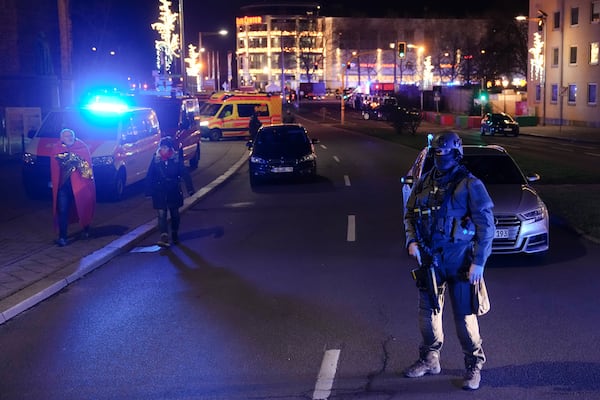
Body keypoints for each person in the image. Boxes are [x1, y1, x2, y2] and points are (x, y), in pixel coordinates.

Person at [403, 131, 495, 391]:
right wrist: (411, 242)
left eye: (446, 154)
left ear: (456, 154)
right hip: (430, 259)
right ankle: (430, 359)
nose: (441, 158)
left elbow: (486, 226)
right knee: (428, 314)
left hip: (460, 260)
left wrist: (479, 262)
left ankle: (473, 365)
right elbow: (409, 214)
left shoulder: (469, 184)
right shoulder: (423, 184)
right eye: (438, 154)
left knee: (465, 317)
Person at [145, 136, 195, 247]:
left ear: (169, 148)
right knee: (161, 214)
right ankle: (164, 236)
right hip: (159, 191)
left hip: (173, 190)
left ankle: (174, 233)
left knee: (175, 214)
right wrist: (148, 191)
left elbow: (184, 173)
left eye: (165, 147)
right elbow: (150, 175)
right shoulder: (156, 159)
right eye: (161, 147)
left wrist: (190, 189)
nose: (163, 149)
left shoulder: (176, 159)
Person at [50, 128, 96, 246]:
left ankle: (86, 230)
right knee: (63, 210)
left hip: (80, 186)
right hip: (63, 186)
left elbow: (87, 168)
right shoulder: (56, 148)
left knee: (83, 207)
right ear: (61, 138)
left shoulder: (82, 147)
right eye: (66, 136)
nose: (69, 137)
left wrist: (72, 158)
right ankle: (62, 237)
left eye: (71, 135)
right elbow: (55, 167)